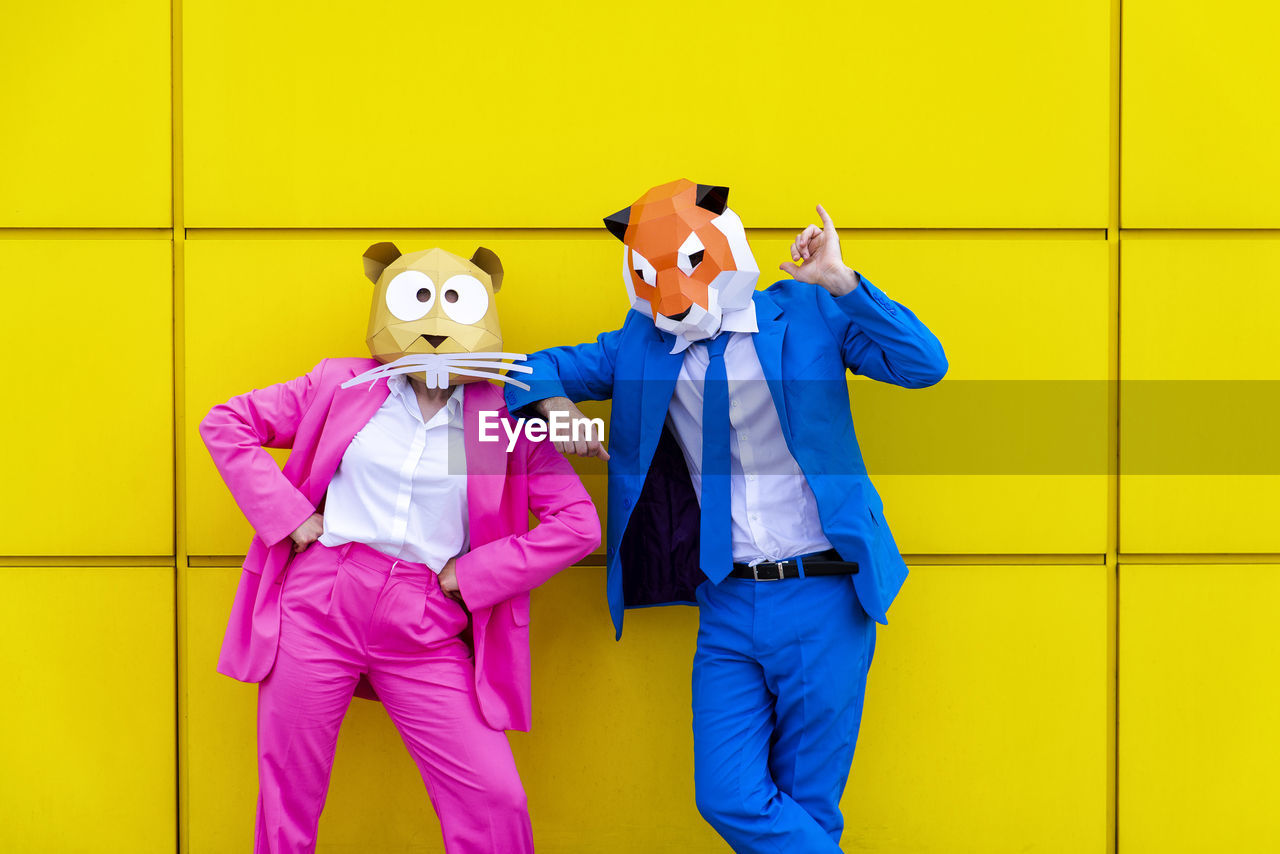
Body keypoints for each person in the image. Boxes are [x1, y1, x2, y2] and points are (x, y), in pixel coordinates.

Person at [504, 179, 946, 853]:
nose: (672, 286)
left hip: (826, 592)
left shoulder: (804, 314)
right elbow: (526, 371)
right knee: (726, 795)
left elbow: (924, 365)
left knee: (809, 807)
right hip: (729, 603)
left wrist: (842, 281)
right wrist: (556, 408)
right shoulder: (642, 348)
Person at [201, 243, 599, 854]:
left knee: (496, 799)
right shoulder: (341, 384)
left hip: (424, 623)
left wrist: (472, 575)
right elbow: (227, 424)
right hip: (318, 604)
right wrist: (290, 517)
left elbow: (577, 524)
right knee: (288, 802)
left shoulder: (503, 418)